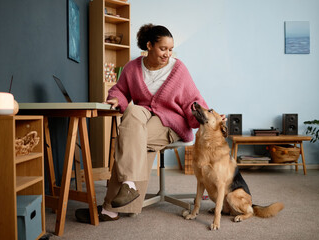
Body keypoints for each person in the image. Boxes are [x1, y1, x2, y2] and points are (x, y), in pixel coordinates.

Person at [75, 23, 224, 222]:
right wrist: (116, 100)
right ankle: (129, 186)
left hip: (171, 122)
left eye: (170, 49)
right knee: (133, 111)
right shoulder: (132, 68)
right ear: (149, 46)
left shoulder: (178, 69)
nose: (167, 54)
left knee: (130, 141)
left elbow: (192, 100)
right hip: (143, 116)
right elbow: (120, 90)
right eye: (163, 49)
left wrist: (209, 117)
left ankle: (110, 209)